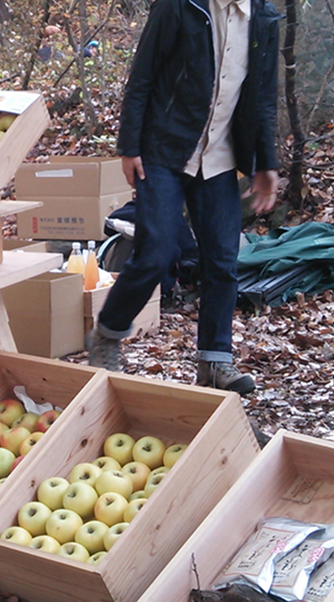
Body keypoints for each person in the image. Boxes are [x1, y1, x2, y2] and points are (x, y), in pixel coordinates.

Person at [86, 0, 281, 395]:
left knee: (223, 261)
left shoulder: (264, 17)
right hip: (163, 150)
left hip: (220, 157)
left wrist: (265, 163)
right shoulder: (180, 6)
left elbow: (262, 97)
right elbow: (142, 76)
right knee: (156, 250)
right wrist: (129, 146)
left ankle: (214, 361)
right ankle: (108, 333)